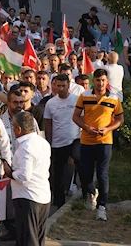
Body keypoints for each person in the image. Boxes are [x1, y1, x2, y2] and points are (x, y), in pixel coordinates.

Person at [72, 69, 124, 221]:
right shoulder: (84, 96)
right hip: (87, 140)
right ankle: (91, 193)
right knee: (86, 173)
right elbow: (75, 116)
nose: (101, 83)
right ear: (93, 81)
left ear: (107, 81)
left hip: (105, 140)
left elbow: (120, 119)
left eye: (103, 80)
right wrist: (86, 127)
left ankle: (102, 206)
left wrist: (108, 128)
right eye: (98, 80)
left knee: (102, 173)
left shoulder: (113, 98)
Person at [7, 111, 51, 246]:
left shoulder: (26, 147)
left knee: (28, 240)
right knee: (38, 239)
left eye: (13, 126)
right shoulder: (43, 142)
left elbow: (24, 176)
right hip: (42, 196)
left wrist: (10, 173)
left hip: (28, 198)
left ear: (18, 129)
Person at [44, 74, 82, 208]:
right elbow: (48, 124)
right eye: (58, 86)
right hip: (57, 142)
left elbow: (82, 118)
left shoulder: (77, 100)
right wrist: (48, 142)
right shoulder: (50, 103)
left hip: (75, 139)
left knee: (79, 160)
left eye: (63, 86)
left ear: (68, 86)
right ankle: (58, 200)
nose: (61, 88)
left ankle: (85, 191)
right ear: (54, 86)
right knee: (57, 171)